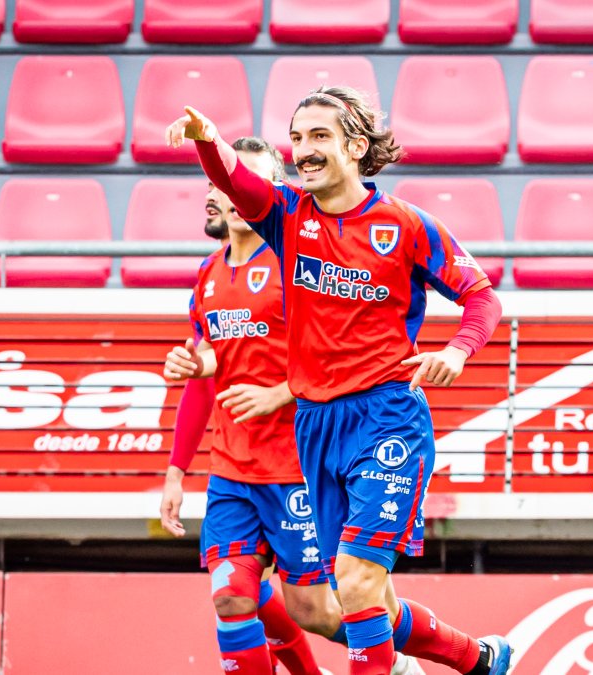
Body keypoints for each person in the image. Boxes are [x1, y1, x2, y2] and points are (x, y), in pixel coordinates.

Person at [165, 87, 511, 675]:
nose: (304, 150)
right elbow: (241, 186)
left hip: (386, 418)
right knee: (350, 599)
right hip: (316, 429)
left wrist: (458, 348)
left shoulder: (405, 225)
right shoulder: (287, 217)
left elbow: (481, 296)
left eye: (319, 136)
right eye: (297, 138)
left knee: (353, 580)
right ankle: (475, 658)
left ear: (355, 146)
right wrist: (207, 139)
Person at [161, 137, 353, 675]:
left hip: (297, 471)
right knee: (230, 598)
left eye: (232, 178)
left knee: (312, 611)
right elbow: (208, 370)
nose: (214, 189)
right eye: (212, 179)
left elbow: (341, 358)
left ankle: (397, 657)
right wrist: (176, 470)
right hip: (231, 470)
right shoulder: (207, 276)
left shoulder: (302, 269)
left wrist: (278, 394)